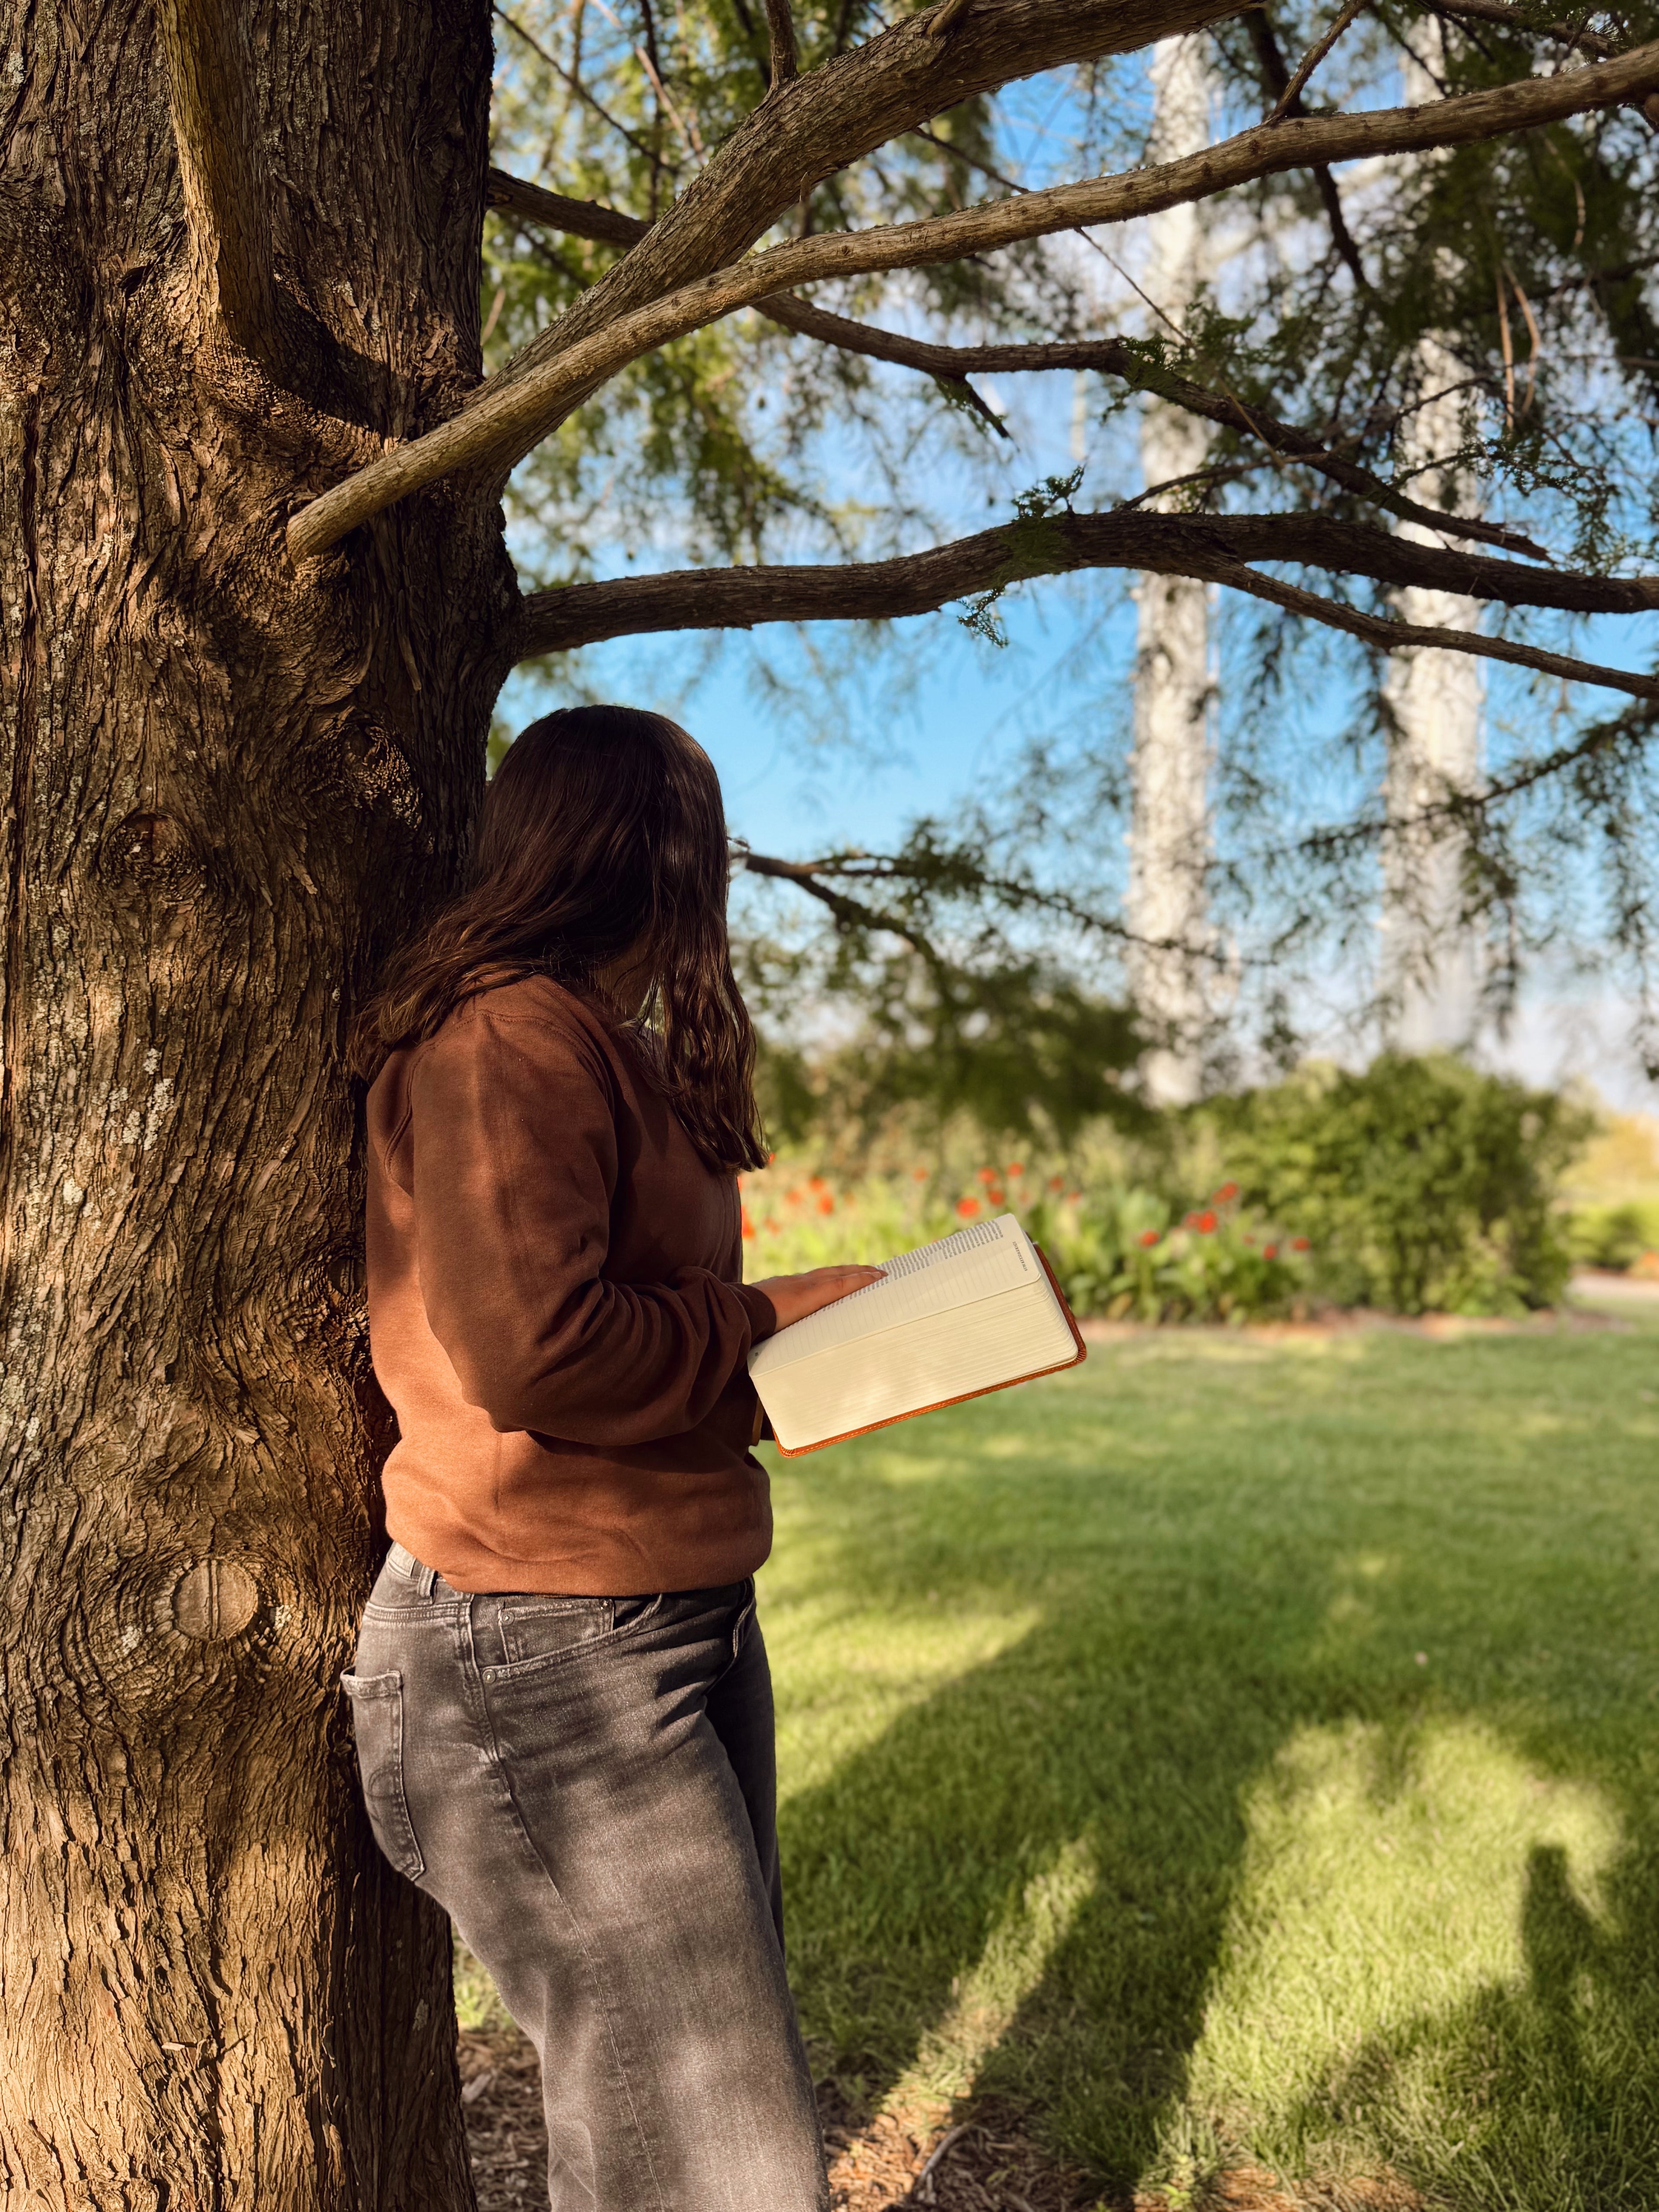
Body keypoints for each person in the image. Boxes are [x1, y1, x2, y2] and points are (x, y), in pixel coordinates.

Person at [342, 706, 880, 2212]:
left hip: (676, 1620)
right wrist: (776, 1324)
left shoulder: (602, 1047)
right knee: (720, 2176)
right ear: (658, 857)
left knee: (697, 2147)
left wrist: (808, 1354)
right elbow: (538, 1354)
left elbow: (636, 1329)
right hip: (545, 1657)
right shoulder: (503, 1039)